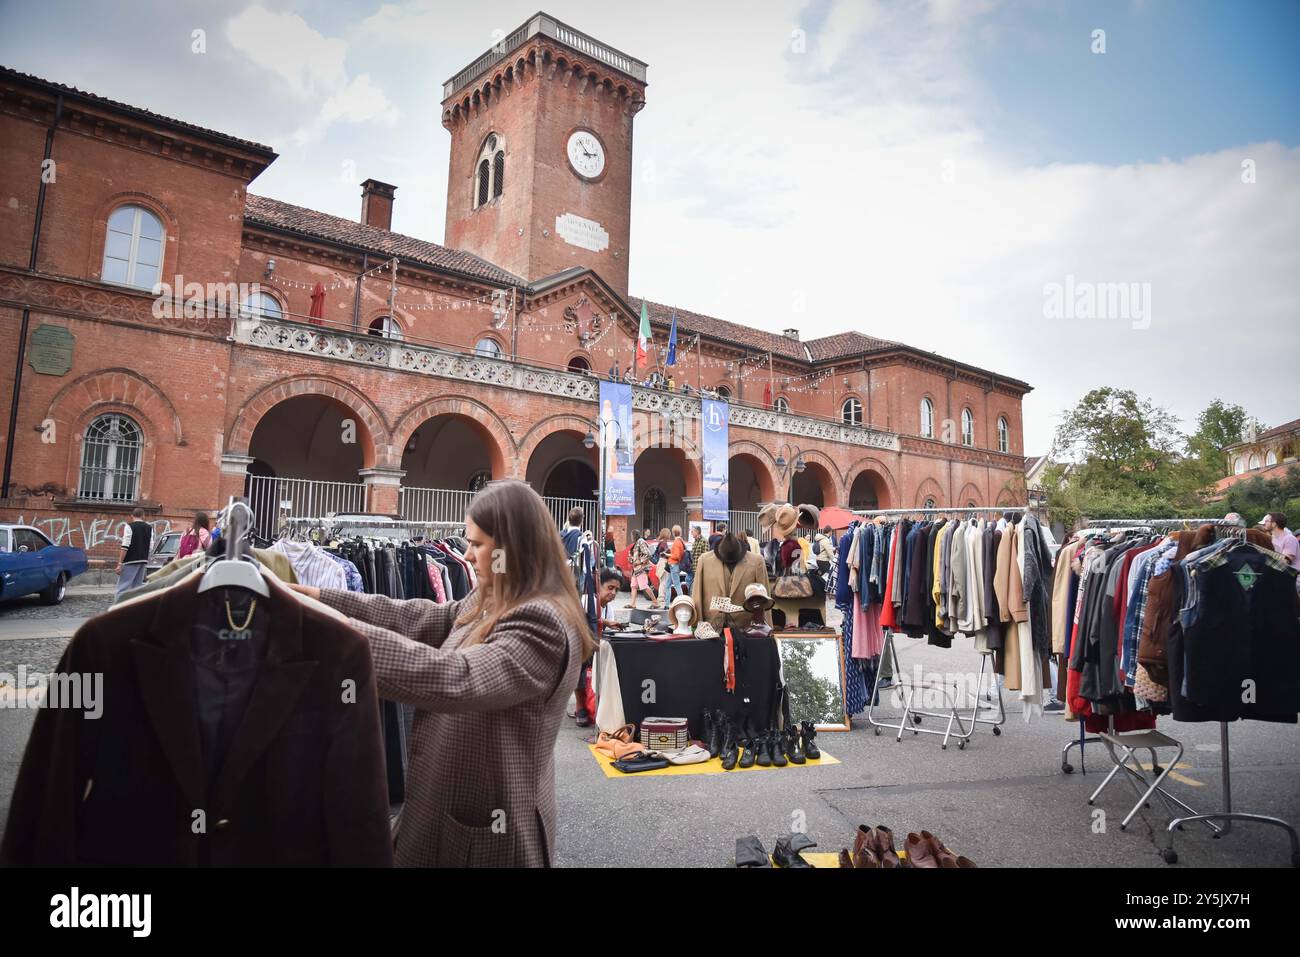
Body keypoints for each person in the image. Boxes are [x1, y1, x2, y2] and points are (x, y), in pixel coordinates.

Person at [292, 479, 592, 867]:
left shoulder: (543, 621)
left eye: (477, 544)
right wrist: (319, 598)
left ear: (510, 547)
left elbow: (456, 677)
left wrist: (325, 633)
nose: (466, 554)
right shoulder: (496, 597)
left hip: (486, 835)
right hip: (448, 815)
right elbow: (422, 617)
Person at [115, 507, 153, 596]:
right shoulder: (149, 528)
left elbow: (125, 546)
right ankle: (135, 608)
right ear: (143, 516)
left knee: (122, 588)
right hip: (143, 560)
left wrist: (120, 563)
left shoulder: (129, 527)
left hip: (130, 560)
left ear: (132, 516)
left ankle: (118, 608)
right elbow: (151, 546)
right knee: (137, 588)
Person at [628, 530, 656, 609]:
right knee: (633, 586)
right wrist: (631, 559)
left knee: (644, 585)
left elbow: (648, 554)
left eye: (632, 535)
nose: (631, 537)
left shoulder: (641, 542)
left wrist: (639, 562)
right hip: (636, 569)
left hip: (641, 568)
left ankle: (655, 602)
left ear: (635, 535)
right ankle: (633, 604)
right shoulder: (636, 544)